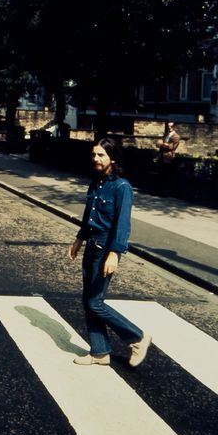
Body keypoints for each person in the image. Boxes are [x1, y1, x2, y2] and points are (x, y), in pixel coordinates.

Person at [68, 138, 151, 367]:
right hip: (92, 244)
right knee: (88, 300)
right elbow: (89, 215)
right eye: (94, 154)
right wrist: (79, 239)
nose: (95, 159)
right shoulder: (96, 182)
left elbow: (122, 224)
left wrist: (115, 253)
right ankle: (99, 352)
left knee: (95, 302)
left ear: (112, 158)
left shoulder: (121, 187)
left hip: (105, 247)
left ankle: (137, 338)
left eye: (101, 155)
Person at [154, 121, 180, 195]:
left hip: (168, 157)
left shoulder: (176, 136)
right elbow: (160, 145)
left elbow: (172, 147)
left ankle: (166, 192)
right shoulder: (166, 135)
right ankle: (159, 191)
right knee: (160, 174)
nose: (169, 128)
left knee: (167, 175)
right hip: (162, 156)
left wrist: (162, 144)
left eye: (171, 126)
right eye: (168, 126)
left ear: (174, 127)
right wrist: (161, 144)